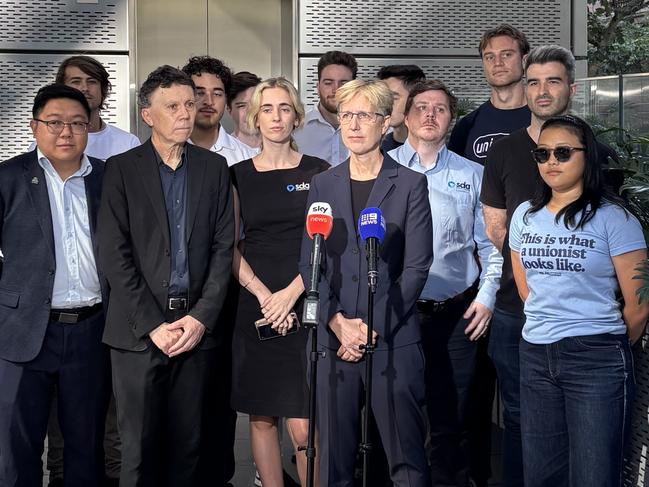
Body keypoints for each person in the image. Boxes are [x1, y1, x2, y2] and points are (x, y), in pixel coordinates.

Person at [480, 45, 616, 486]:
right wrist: (536, 281)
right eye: (533, 81)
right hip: (514, 310)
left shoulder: (601, 154)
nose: (541, 91)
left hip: (585, 326)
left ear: (572, 89)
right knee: (521, 421)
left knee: (587, 435)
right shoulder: (503, 150)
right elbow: (498, 229)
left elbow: (614, 242)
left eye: (553, 81)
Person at [97, 65, 234, 487]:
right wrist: (154, 326)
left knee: (188, 448)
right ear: (148, 115)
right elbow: (114, 254)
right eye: (172, 105)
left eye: (190, 104)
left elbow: (222, 249)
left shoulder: (214, 168)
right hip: (138, 333)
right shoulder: (120, 169)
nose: (185, 113)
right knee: (136, 451)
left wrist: (200, 318)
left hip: (195, 330)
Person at [299, 79, 433, 487]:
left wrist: (370, 327)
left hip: (391, 341)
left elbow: (416, 267)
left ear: (386, 121)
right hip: (332, 344)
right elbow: (311, 262)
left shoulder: (410, 183)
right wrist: (337, 322)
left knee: (405, 461)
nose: (354, 125)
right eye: (347, 115)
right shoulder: (323, 183)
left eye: (365, 115)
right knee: (333, 462)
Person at [509, 115, 649, 487]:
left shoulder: (614, 219)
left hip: (596, 358)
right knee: (541, 475)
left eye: (563, 152)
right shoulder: (525, 215)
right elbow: (526, 289)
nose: (551, 161)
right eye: (542, 153)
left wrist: (604, 344)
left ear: (587, 157)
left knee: (594, 474)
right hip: (536, 354)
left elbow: (639, 303)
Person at [389, 79, 502, 487]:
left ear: (451, 119)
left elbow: (490, 247)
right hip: (396, 313)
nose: (430, 115)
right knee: (398, 412)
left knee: (452, 417)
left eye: (439, 108)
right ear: (406, 117)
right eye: (421, 107)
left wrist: (487, 298)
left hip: (456, 312)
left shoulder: (474, 174)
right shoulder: (384, 170)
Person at [0, 83, 109, 487]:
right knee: (16, 448)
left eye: (77, 123)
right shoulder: (9, 177)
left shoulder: (107, 178)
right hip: (22, 331)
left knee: (86, 445)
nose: (66, 132)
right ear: (34, 126)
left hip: (90, 330)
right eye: (55, 123)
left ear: (89, 128)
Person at [41, 53, 140, 487]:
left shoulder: (116, 162)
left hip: (102, 313)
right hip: (40, 321)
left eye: (90, 82)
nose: (67, 132)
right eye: (73, 81)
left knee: (102, 424)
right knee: (46, 432)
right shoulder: (24, 169)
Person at [230, 77, 329, 487]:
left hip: (305, 298)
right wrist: (266, 297)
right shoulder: (236, 175)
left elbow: (327, 243)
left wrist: (290, 295)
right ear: (254, 117)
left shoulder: (320, 172)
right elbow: (228, 246)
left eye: (284, 108)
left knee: (304, 426)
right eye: (267, 108)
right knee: (263, 416)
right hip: (255, 302)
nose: (276, 117)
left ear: (297, 116)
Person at [448, 25, 530, 165]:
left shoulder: (543, 119)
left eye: (507, 54)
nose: (498, 63)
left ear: (525, 60)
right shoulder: (466, 127)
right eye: (490, 57)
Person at [182, 55, 257, 165]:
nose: (209, 101)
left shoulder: (247, 158)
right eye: (200, 93)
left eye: (217, 94)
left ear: (226, 99)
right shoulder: (170, 154)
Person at [293, 50, 357, 166]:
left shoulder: (369, 128)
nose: (336, 89)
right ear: (318, 87)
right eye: (328, 83)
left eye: (344, 83)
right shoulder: (296, 130)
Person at [377, 64, 425, 153]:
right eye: (382, 98)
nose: (385, 104)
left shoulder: (433, 149)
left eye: (394, 98)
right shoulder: (377, 148)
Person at [227, 71, 262, 150]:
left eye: (255, 104)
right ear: (229, 110)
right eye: (242, 106)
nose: (250, 112)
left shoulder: (285, 148)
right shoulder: (220, 155)